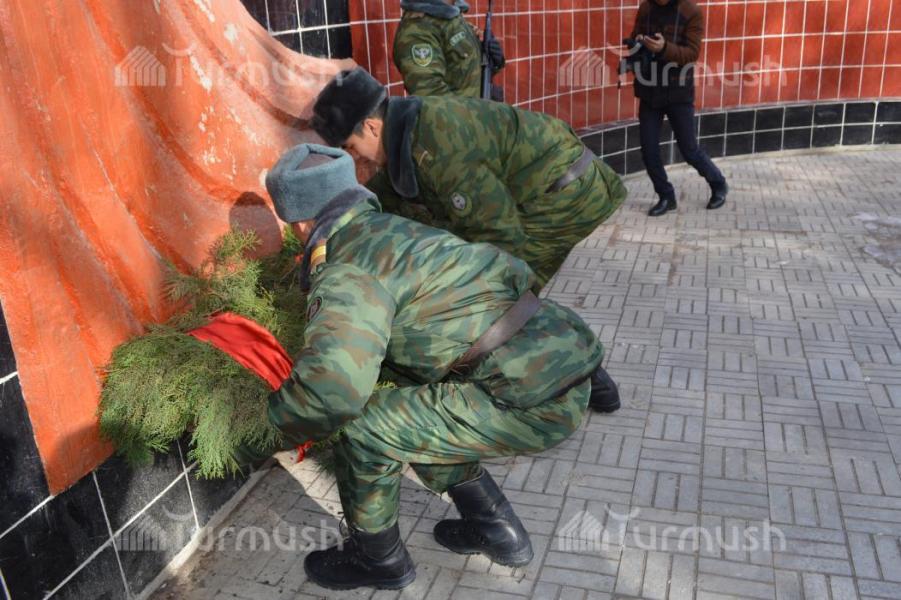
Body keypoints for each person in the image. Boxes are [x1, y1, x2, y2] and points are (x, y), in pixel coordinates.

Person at [241, 143, 617, 590]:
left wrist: (261, 433)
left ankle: (378, 560)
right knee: (412, 412)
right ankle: (498, 531)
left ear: (302, 222)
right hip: (563, 358)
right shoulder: (394, 229)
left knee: (366, 429)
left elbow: (331, 393)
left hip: (532, 399)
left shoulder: (345, 268)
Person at [310, 67, 628, 289]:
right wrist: (335, 230)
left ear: (371, 126)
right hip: (544, 184)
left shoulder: (439, 148)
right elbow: (383, 195)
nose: (356, 158)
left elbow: (500, 235)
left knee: (506, 293)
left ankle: (559, 362)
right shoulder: (404, 126)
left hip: (566, 192)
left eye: (351, 147)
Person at [630, 0, 728, 216]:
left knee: (689, 150)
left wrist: (664, 48)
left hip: (678, 92)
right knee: (648, 150)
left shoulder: (690, 11)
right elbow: (634, 36)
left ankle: (718, 184)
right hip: (650, 90)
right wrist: (638, 42)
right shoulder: (646, 7)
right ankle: (666, 196)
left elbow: (692, 53)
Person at [394, 0, 504, 98]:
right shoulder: (419, 31)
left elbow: (464, 73)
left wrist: (492, 61)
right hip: (464, 115)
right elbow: (432, 100)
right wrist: (485, 112)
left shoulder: (452, 18)